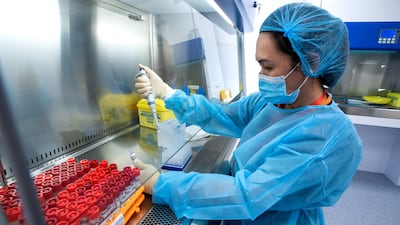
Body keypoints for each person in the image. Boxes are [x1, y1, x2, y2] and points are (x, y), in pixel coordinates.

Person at [134, 2, 362, 225]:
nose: (262, 75)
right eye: (260, 65)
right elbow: (221, 114)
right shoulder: (271, 102)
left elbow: (249, 194)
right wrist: (168, 93)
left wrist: (162, 185)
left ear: (311, 63)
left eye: (269, 67)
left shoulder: (328, 137)